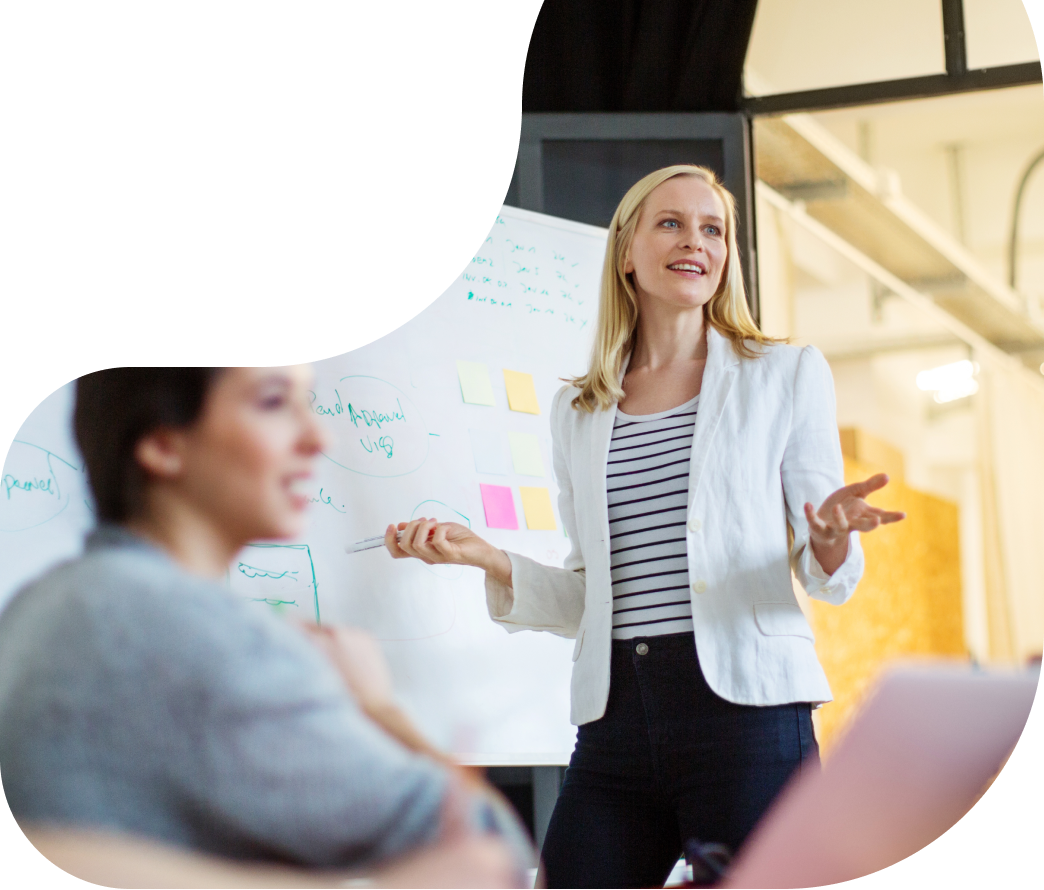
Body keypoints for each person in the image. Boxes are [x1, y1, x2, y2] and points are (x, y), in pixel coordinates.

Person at [383, 165, 905, 889]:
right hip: (616, 716)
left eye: (713, 228)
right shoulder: (581, 410)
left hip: (747, 716)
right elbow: (590, 598)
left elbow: (830, 574)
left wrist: (828, 536)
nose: (696, 241)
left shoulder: (782, 374)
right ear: (626, 250)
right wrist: (491, 559)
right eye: (671, 222)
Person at [0, 366, 531, 884]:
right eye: (273, 402)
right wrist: (378, 707)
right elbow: (492, 851)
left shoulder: (36, 606)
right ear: (163, 444)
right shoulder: (204, 634)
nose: (318, 437)